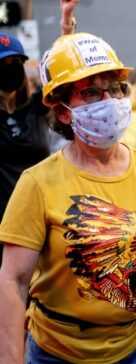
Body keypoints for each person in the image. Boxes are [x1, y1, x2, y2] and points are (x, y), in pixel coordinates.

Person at [0, 31, 136, 364]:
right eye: (92, 92)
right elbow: (14, 280)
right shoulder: (37, 183)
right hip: (57, 352)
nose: (109, 100)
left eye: (115, 88)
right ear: (63, 110)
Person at [0, 33, 51, 268]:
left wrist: (66, 26)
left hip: (43, 219)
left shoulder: (36, 107)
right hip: (4, 227)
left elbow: (62, 79)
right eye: (2, 65)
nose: (9, 69)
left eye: (15, 64)